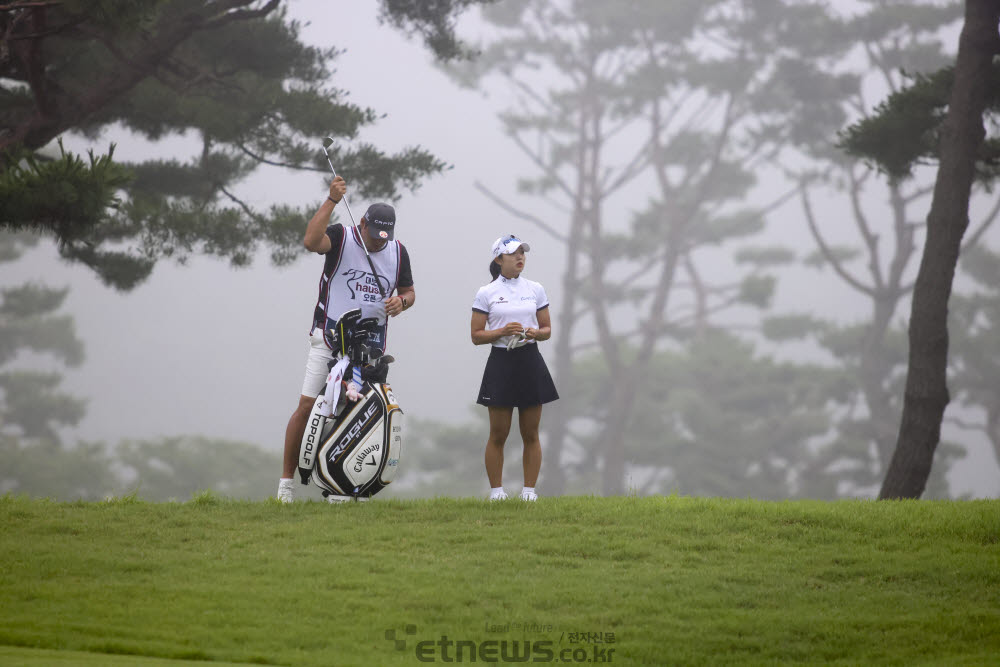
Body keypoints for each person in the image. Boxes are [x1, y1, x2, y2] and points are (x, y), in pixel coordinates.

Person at [276, 175, 415, 502]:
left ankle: (349, 486)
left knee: (361, 412)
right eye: (374, 235)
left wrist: (402, 302)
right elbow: (311, 242)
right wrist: (332, 201)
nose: (378, 243)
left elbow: (408, 291)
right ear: (362, 223)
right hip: (329, 338)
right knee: (309, 406)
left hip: (369, 349)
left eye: (385, 238)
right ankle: (286, 483)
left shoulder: (397, 252)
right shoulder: (341, 236)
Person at [470, 235, 558, 502]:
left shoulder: (535, 289)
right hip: (501, 362)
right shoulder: (486, 293)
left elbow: (547, 330)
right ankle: (497, 492)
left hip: (529, 360)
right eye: (513, 254)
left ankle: (529, 492)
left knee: (531, 432)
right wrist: (502, 331)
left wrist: (535, 333)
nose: (520, 257)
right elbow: (476, 335)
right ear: (499, 259)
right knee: (498, 433)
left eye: (522, 253)